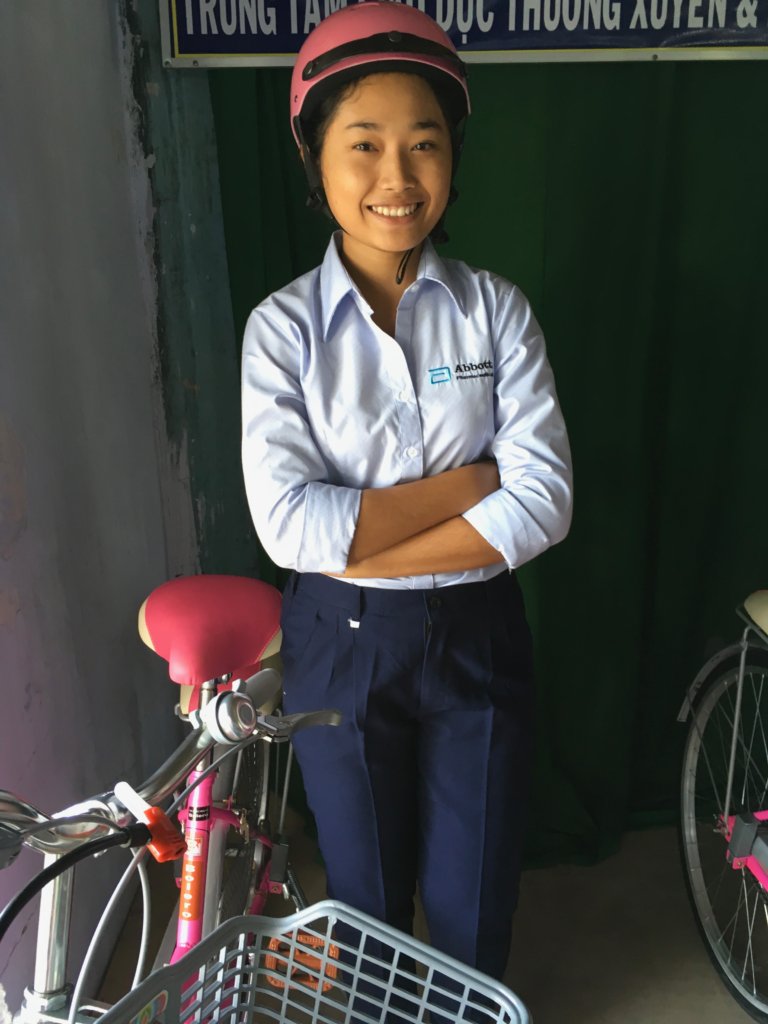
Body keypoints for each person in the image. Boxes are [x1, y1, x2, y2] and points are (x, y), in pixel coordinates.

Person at [241, 1, 572, 982]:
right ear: (316, 161)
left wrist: (364, 546)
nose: (397, 176)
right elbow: (289, 526)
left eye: (424, 143)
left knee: (476, 891)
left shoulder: (495, 311)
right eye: (365, 144)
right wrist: (471, 484)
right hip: (339, 649)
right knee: (365, 893)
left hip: (477, 633)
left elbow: (544, 502)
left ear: (453, 159)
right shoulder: (282, 331)